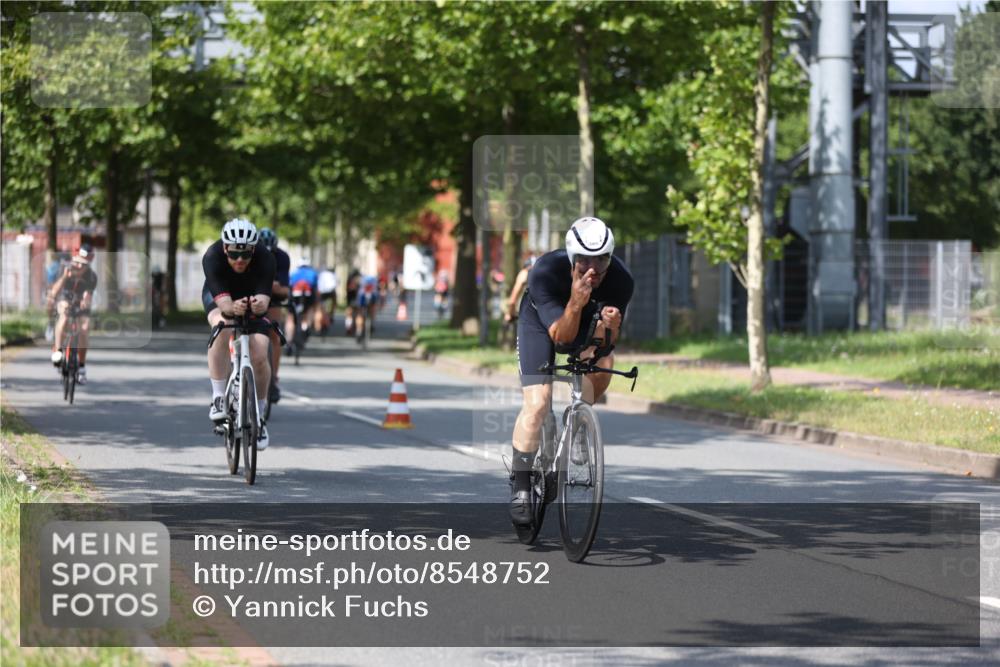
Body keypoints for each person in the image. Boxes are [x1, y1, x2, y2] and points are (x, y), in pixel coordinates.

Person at [508, 217, 634, 525]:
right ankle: (521, 485)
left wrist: (611, 328)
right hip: (543, 325)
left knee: (605, 362)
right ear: (570, 257)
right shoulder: (545, 272)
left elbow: (606, 345)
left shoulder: (621, 280)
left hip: (587, 324)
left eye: (602, 259)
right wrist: (576, 303)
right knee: (537, 404)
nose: (594, 268)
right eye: (584, 261)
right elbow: (562, 339)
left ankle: (580, 419)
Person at [201, 218, 275, 450]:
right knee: (222, 326)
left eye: (245, 255)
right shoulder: (212, 256)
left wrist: (255, 306)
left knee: (261, 352)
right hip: (221, 296)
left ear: (254, 249)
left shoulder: (265, 258)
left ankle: (259, 417)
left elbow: (263, 301)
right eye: (233, 255)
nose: (240, 260)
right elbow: (224, 305)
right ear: (225, 249)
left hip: (251, 296)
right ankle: (218, 397)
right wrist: (233, 308)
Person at [47, 244, 98, 385]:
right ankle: (58, 350)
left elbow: (88, 295)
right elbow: (55, 292)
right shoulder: (65, 270)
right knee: (63, 316)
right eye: (78, 262)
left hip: (80, 302)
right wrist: (64, 277)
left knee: (85, 328)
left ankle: (81, 366)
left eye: (84, 265)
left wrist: (85, 302)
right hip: (65, 298)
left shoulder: (91, 276)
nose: (80, 267)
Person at [259, 228, 289, 404]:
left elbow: (284, 290)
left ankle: (273, 378)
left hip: (272, 299)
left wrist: (277, 288)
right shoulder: (249, 255)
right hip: (251, 294)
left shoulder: (282, 257)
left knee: (276, 334)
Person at [501, 256, 534, 350]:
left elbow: (513, 299)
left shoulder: (524, 273)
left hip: (529, 313)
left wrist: (509, 313)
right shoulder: (544, 272)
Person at [286, 254, 319, 346]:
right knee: (310, 310)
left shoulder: (293, 273)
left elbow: (289, 287)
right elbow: (315, 289)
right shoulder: (313, 273)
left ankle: (289, 341)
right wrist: (316, 302)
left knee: (290, 317)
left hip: (295, 296)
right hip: (308, 295)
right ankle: (306, 327)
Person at [353, 273, 380, 343]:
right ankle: (371, 323)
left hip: (362, 296)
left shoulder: (363, 283)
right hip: (370, 296)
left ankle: (359, 331)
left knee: (360, 313)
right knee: (372, 309)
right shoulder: (374, 283)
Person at [316, 266, 339, 334]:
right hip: (330, 292)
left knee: (320, 307)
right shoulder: (333, 274)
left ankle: (318, 326)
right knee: (334, 301)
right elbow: (337, 283)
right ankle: (331, 314)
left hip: (321, 292)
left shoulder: (321, 274)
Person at [344, 269, 361, 335]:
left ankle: (348, 327)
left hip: (350, 299)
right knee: (358, 314)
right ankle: (358, 329)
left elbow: (347, 289)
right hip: (357, 299)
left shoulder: (350, 279)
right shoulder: (359, 280)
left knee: (349, 314)